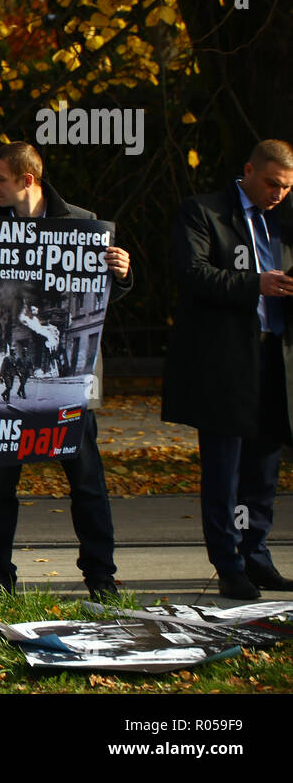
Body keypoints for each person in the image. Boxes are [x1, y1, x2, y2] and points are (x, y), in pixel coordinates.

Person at [0, 142, 132, 599]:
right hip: (14, 383)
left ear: (27, 180)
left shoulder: (81, 224)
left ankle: (101, 575)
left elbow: (95, 299)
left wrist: (119, 272)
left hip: (73, 388)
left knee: (86, 479)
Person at [162, 138, 293, 599]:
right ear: (249, 171)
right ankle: (229, 562)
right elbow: (192, 274)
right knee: (224, 469)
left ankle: (257, 557)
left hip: (275, 357)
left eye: (287, 187)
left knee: (264, 468)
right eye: (273, 184)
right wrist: (254, 283)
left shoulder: (284, 221)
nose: (279, 194)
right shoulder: (204, 212)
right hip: (225, 361)